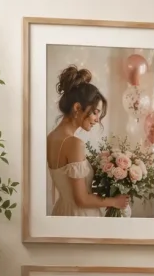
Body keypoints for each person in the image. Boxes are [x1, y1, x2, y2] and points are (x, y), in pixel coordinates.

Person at [47, 65, 129, 216]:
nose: (97, 119)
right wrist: (114, 201)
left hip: (61, 212)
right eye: (95, 112)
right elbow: (82, 200)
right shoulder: (74, 143)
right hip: (79, 215)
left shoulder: (51, 137)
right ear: (77, 107)